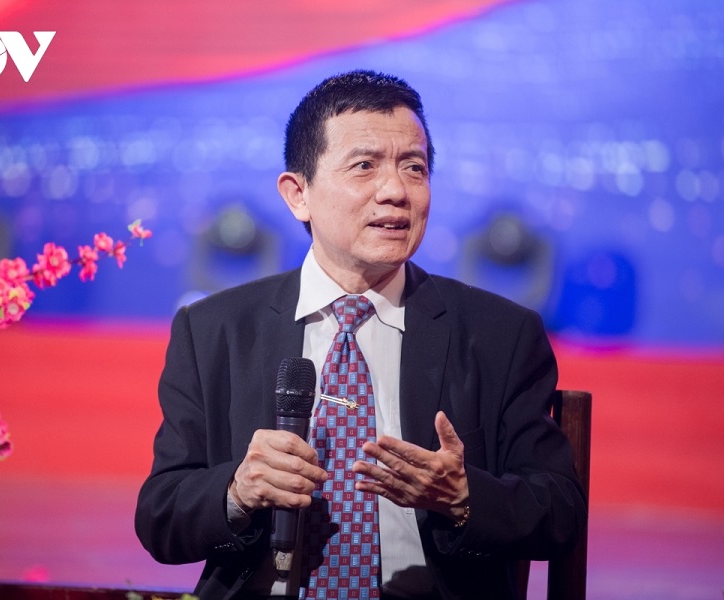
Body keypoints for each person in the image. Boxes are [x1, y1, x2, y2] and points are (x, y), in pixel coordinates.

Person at [135, 70, 587, 600]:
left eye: (414, 168)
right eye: (364, 166)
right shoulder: (214, 330)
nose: (395, 191)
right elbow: (161, 517)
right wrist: (238, 489)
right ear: (298, 194)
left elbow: (560, 512)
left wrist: (464, 497)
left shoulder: (499, 335)